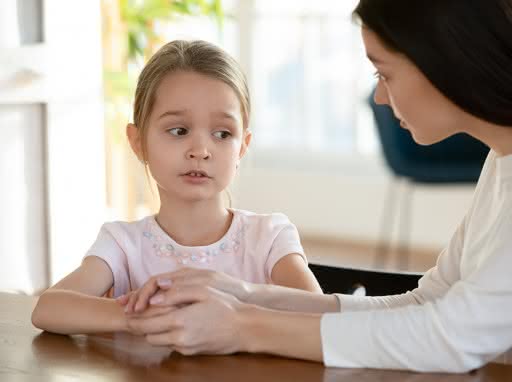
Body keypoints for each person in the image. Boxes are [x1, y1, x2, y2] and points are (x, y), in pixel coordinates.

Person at [119, 0, 512, 373]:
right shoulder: (504, 161)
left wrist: (244, 327)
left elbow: (453, 337)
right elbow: (427, 303)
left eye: (383, 72)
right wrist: (248, 295)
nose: (379, 98)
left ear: (445, 62)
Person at [31, 40, 322, 335]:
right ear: (138, 142)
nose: (200, 150)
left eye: (222, 134)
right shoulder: (123, 244)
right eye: (179, 131)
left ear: (242, 147)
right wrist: (139, 317)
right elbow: (48, 309)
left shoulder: (269, 238)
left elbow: (321, 316)